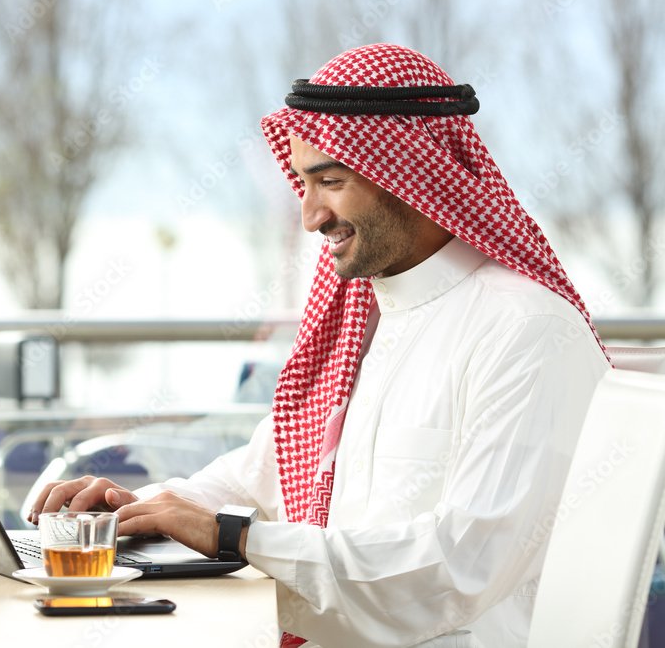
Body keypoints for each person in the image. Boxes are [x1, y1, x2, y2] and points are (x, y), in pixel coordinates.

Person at [30, 43, 609, 647]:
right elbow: (263, 476)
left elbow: (457, 569)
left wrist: (233, 537)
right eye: (303, 185)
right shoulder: (364, 315)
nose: (310, 217)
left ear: (408, 173)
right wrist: (133, 509)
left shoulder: (526, 331)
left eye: (330, 181)